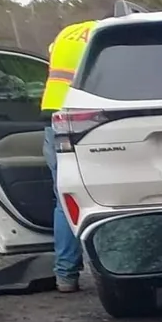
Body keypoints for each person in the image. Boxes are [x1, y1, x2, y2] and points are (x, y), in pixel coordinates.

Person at [40, 19, 95, 292]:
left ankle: (66, 275)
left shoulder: (66, 33)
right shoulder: (105, 32)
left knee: (65, 200)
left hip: (55, 117)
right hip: (89, 118)